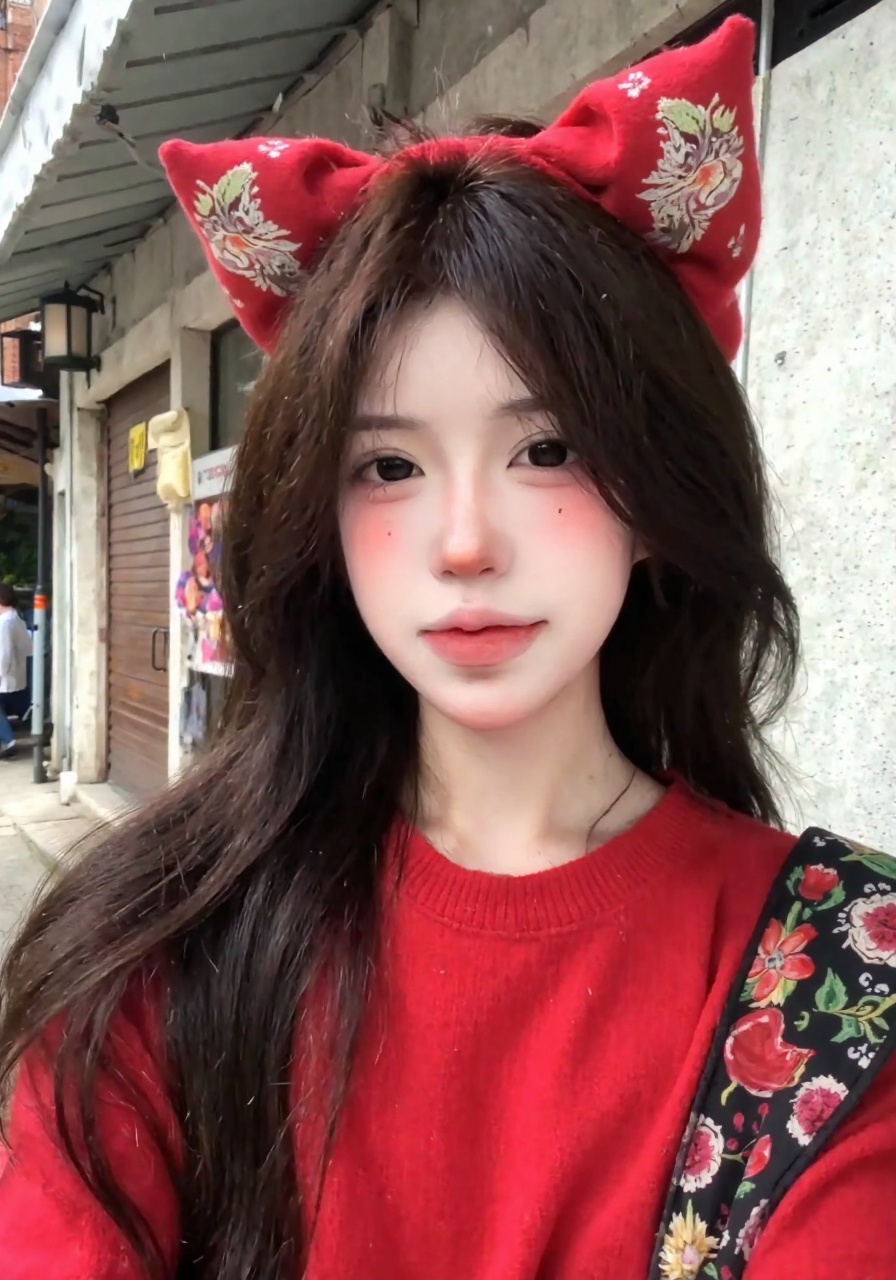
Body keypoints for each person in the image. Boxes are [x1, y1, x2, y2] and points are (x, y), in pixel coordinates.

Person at [1, 18, 894, 1280]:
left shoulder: (838, 980)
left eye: (546, 449)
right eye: (388, 465)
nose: (465, 542)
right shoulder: (156, 951)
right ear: (317, 515)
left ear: (655, 494)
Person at [0, 582, 32, 761]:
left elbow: (3, 654)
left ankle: (8, 741)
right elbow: (28, 647)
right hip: (17, 674)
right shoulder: (16, 618)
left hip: (6, 675)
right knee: (20, 707)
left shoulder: (5, 623)